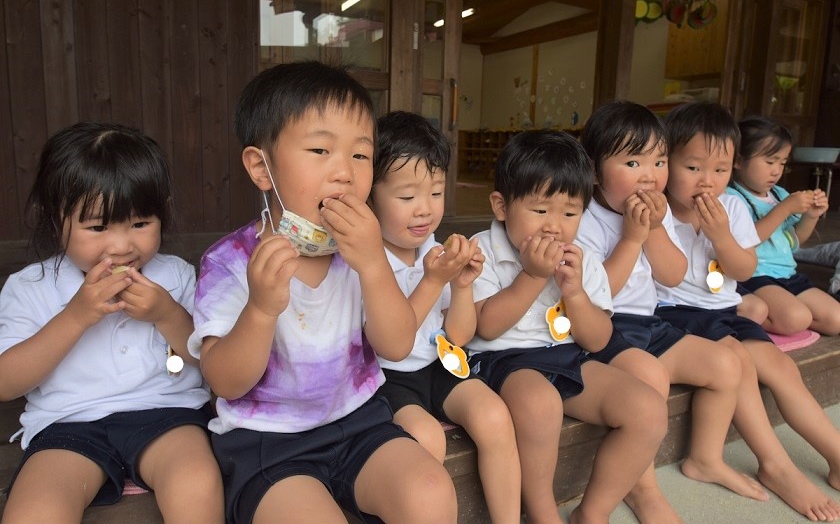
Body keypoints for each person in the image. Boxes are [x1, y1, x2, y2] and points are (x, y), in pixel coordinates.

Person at [187, 62, 457, 524]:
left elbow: (394, 345)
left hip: (359, 420)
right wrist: (260, 309)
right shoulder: (230, 262)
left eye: (360, 155)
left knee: (430, 491)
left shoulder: (364, 250)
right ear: (261, 167)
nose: (345, 173)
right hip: (268, 441)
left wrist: (373, 265)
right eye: (319, 149)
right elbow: (225, 382)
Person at [0, 122, 224, 523]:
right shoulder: (30, 286)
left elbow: (210, 361)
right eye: (98, 227)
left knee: (197, 482)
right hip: (67, 424)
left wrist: (166, 313)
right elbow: (5, 383)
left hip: (168, 415)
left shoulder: (176, 275)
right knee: (34, 511)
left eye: (140, 224)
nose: (122, 246)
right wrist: (76, 316)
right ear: (57, 219)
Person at [576, 101, 769, 523]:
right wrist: (631, 237)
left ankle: (705, 458)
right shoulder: (582, 220)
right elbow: (596, 296)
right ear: (593, 170)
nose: (650, 174)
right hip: (605, 328)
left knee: (724, 364)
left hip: (650, 323)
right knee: (650, 377)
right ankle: (643, 489)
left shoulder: (656, 212)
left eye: (659, 161)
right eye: (632, 161)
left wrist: (654, 230)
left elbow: (673, 273)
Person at [469, 129, 668, 524]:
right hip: (502, 360)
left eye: (570, 213)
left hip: (566, 355)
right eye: (540, 211)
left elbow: (597, 339)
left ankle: (592, 513)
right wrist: (530, 276)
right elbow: (486, 327)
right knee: (540, 405)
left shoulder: (582, 259)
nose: (555, 227)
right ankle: (544, 512)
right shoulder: (482, 251)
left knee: (648, 410)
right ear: (501, 206)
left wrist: (575, 294)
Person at [656, 101, 840, 521]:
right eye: (693, 168)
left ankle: (836, 456)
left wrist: (722, 236)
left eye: (720, 170)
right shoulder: (659, 212)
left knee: (780, 366)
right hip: (676, 312)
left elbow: (744, 269)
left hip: (725, 307)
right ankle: (776, 466)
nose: (708, 181)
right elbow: (667, 278)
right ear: (666, 164)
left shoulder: (733, 208)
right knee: (738, 363)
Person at [368, 111, 520, 523]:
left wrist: (463, 285)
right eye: (407, 197)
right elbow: (387, 340)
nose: (425, 210)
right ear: (368, 194)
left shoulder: (434, 249)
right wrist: (434, 281)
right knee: (425, 437)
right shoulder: (364, 262)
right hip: (384, 376)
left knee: (493, 415)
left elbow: (458, 335)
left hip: (438, 362)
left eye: (436, 193)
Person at [727, 116, 840, 336]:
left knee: (835, 320)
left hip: (787, 274)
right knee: (796, 319)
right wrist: (784, 209)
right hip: (755, 277)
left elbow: (796, 239)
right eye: (770, 162)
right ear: (738, 160)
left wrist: (811, 216)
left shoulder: (779, 195)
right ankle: (743, 314)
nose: (776, 171)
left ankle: (784, 309)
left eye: (782, 163)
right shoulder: (732, 197)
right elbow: (744, 240)